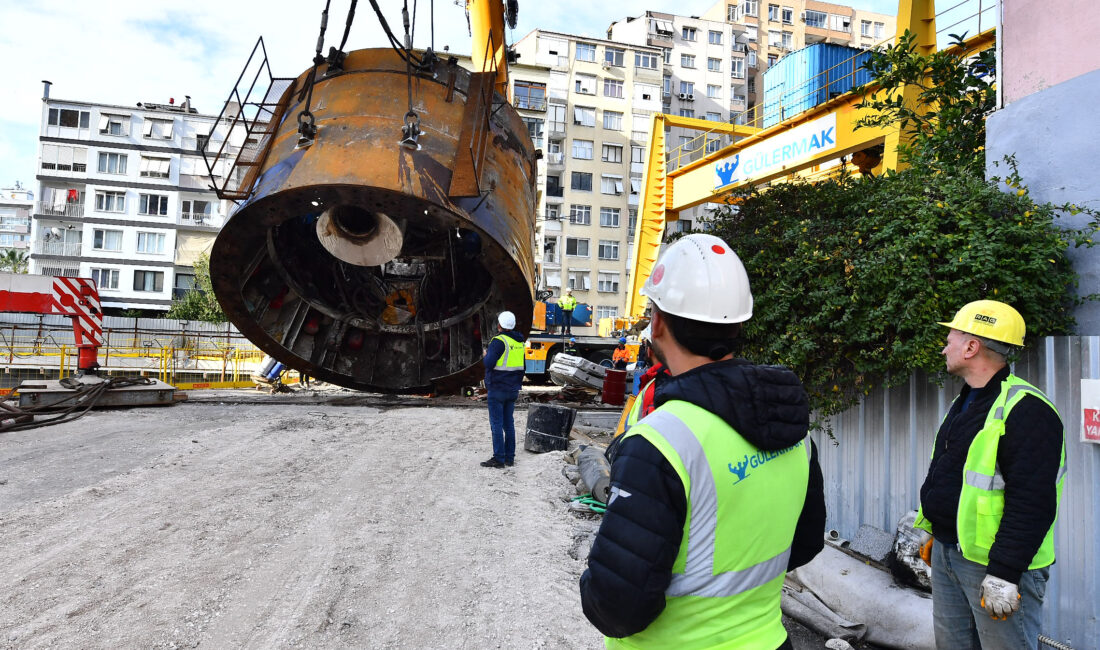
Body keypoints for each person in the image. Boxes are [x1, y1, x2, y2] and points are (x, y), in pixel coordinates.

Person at [580, 234, 826, 649]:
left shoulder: (660, 443)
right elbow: (804, 544)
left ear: (657, 322)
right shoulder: (790, 426)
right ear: (737, 326)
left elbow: (616, 607)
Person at [915, 300, 1065, 650]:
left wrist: (1004, 573)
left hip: (995, 567)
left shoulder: (1027, 410)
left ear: (972, 347)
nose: (944, 346)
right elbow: (952, 475)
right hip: (951, 552)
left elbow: (1032, 502)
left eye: (951, 337)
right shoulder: (966, 401)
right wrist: (938, 532)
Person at [480, 310, 526, 468]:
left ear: (499, 325)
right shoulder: (519, 342)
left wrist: (486, 355)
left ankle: (498, 459)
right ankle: (509, 458)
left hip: (498, 388)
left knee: (497, 424)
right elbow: (522, 367)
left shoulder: (499, 341)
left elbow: (488, 363)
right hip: (512, 389)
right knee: (509, 424)